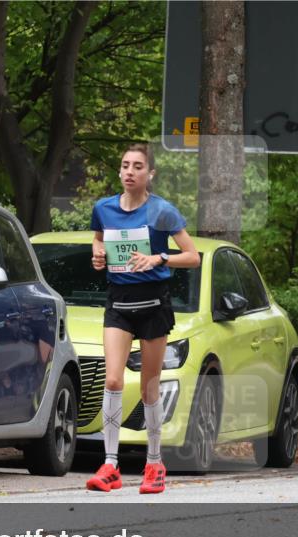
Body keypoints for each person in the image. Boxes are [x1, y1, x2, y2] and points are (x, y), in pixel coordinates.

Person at [86, 143, 200, 494]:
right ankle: (109, 465)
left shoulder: (162, 211)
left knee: (150, 387)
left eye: (138, 166)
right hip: (119, 302)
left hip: (153, 302)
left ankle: (154, 462)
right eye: (125, 165)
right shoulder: (103, 208)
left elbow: (193, 256)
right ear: (119, 172)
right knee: (114, 380)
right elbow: (97, 240)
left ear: (149, 174)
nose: (130, 171)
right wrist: (98, 255)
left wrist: (159, 259)